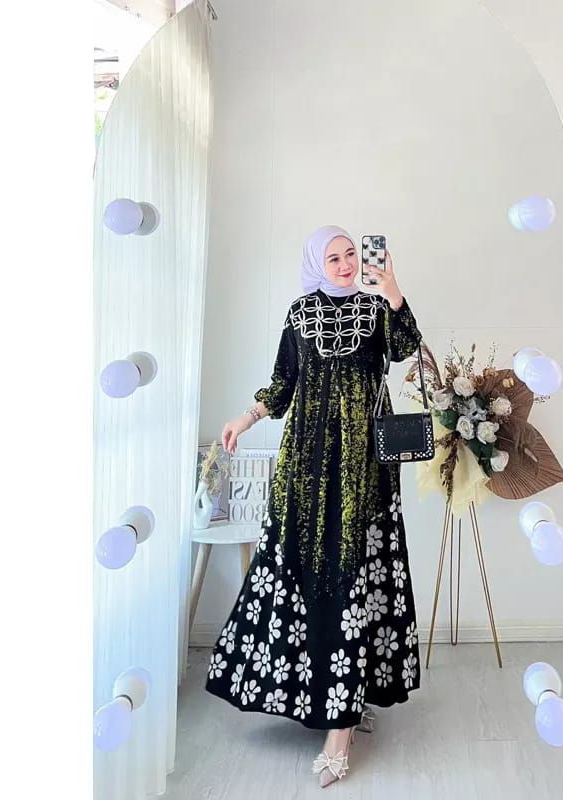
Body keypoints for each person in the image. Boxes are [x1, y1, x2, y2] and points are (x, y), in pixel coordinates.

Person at [204, 224, 424, 787]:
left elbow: (406, 350)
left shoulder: (377, 310)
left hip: (364, 469)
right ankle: (323, 696)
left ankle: (341, 725)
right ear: (316, 264)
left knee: (355, 578)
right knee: (306, 576)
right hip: (305, 468)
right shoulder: (300, 314)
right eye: (334, 257)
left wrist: (393, 291)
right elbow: (283, 384)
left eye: (351, 254)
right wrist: (245, 418)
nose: (346, 263)